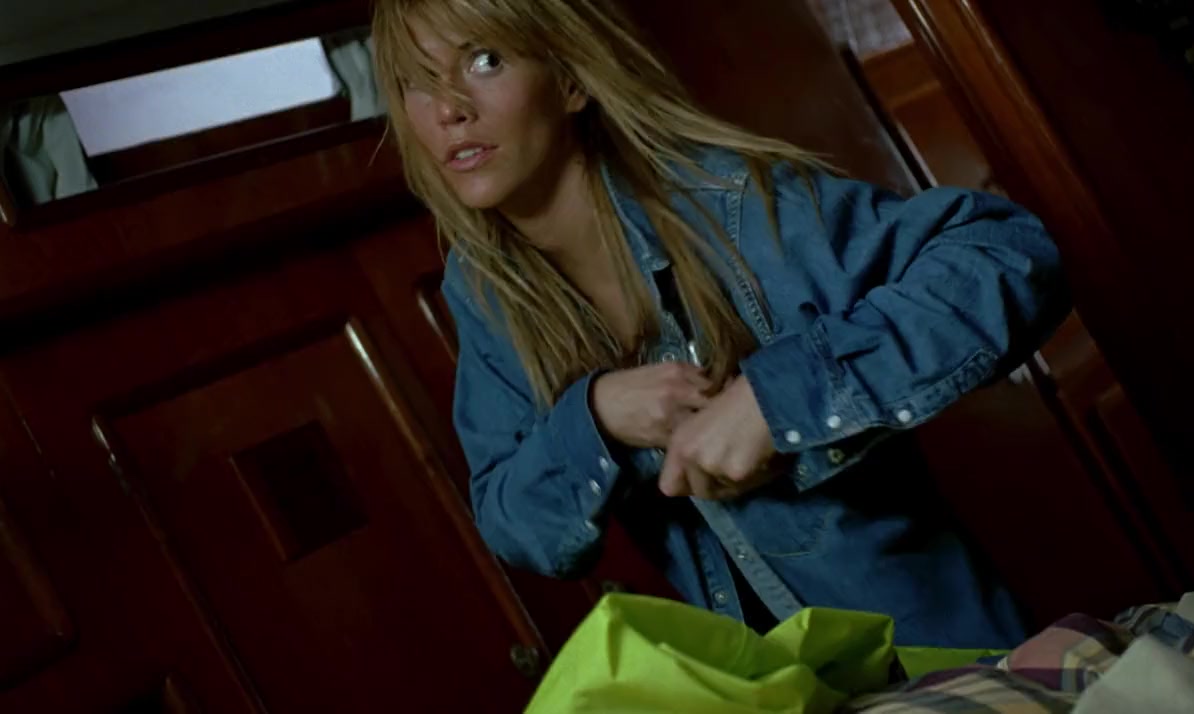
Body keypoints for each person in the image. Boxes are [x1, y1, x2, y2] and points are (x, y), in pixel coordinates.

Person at [372, 0, 1070, 648]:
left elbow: (1011, 255)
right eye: (416, 82)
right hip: (784, 690)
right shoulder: (483, 291)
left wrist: (777, 401)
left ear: (569, 78)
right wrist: (597, 418)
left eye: (485, 60)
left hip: (945, 664)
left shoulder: (725, 203)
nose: (448, 109)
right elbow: (513, 522)